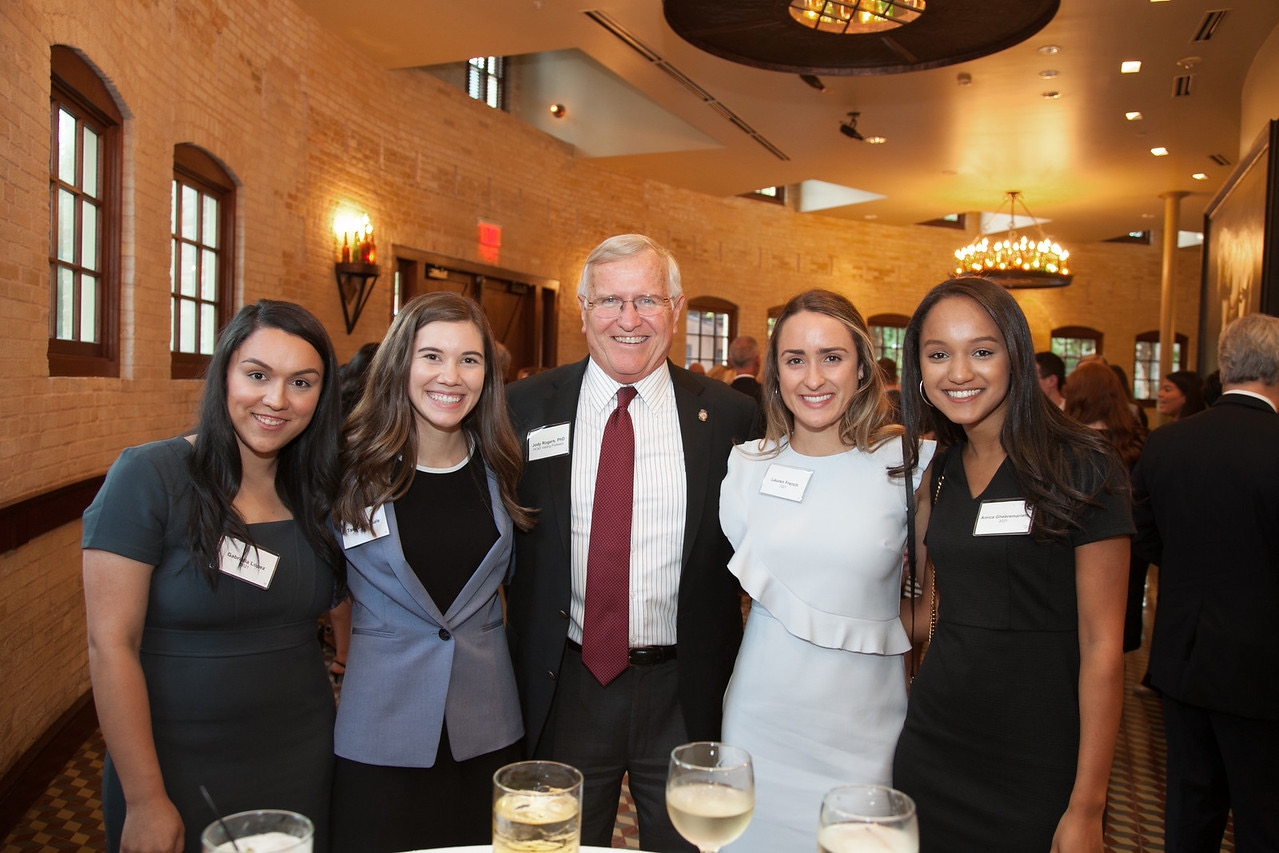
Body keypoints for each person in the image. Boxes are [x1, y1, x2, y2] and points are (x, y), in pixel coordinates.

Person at [505, 234, 758, 852]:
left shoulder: (728, 417)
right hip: (565, 683)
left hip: (685, 686)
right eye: (610, 301)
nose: (629, 319)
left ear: (676, 310)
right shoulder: (522, 408)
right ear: (583, 309)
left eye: (647, 299)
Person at [82, 300, 343, 853]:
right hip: (174, 764)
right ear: (224, 374)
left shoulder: (319, 492)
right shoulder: (150, 476)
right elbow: (111, 645)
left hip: (301, 756)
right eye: (257, 375)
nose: (277, 400)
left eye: (302, 382)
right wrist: (146, 799)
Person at [892, 277, 1132, 852]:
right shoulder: (938, 473)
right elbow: (927, 613)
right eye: (938, 354)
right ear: (919, 371)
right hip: (936, 740)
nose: (959, 372)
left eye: (981, 350)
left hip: (1038, 750)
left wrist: (1087, 807)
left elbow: (1103, 645)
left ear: (1015, 356)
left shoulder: (1082, 465)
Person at [719, 290, 934, 852]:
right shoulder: (745, 468)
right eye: (795, 360)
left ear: (862, 367)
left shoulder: (910, 464)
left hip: (868, 727)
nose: (813, 378)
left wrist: (897, 624)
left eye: (832, 357)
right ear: (775, 373)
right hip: (760, 724)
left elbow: (940, 605)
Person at [329, 292, 534, 851]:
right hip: (380, 728)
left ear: (488, 374)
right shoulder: (348, 468)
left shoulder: (503, 464)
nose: (451, 376)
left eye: (469, 359)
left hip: (487, 727)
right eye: (432, 356)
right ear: (402, 364)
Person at [1130, 313, 1279, 853]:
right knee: (1264, 815)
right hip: (1264, 666)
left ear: (1224, 365)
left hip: (1184, 656)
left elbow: (1143, 538)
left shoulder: (1170, 444)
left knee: (1191, 809)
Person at [1065, 361, 1150, 654]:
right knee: (1111, 637)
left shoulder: (1065, 446)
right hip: (1129, 547)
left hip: (1074, 551)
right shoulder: (1135, 440)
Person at [324, 341, 380, 683]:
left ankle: (342, 653)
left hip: (335, 493)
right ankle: (347, 654)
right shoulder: (370, 404)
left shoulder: (339, 399)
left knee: (339, 586)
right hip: (353, 496)